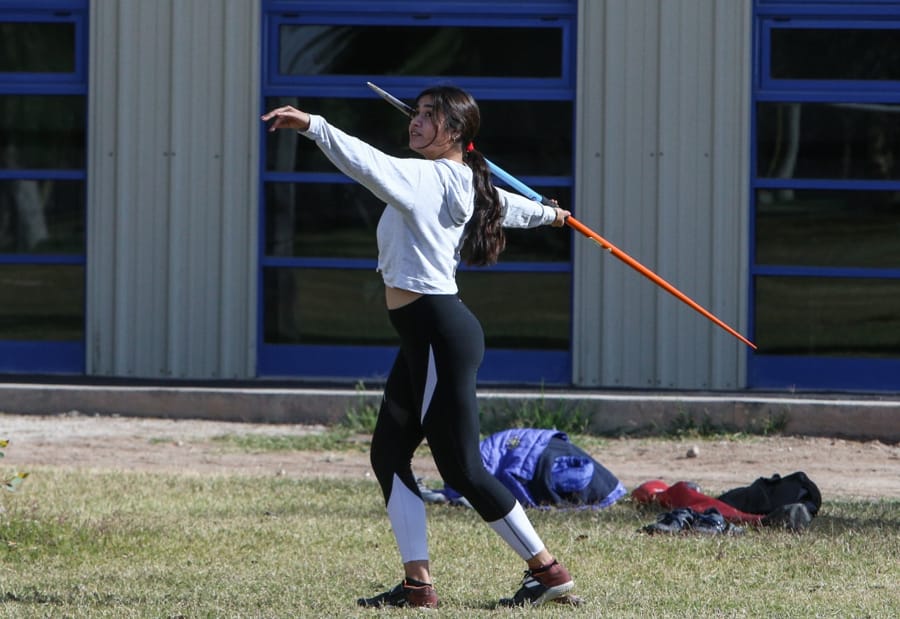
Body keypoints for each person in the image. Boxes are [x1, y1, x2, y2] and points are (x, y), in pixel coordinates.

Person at [261, 85, 574, 609]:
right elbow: (510, 207)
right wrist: (550, 215)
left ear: (455, 133)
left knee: (462, 469)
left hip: (436, 332)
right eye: (418, 113)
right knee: (388, 454)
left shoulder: (425, 177)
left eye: (431, 117)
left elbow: (367, 163)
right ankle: (417, 585)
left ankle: (547, 572)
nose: (416, 121)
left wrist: (315, 125)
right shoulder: (464, 181)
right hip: (426, 334)